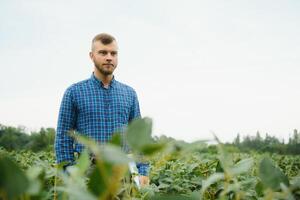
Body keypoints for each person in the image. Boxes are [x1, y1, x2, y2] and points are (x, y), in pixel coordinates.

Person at [54, 33, 149, 185]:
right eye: (103, 52)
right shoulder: (74, 92)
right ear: (91, 56)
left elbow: (138, 138)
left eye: (113, 53)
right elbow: (63, 137)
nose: (109, 57)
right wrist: (69, 173)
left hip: (121, 172)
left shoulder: (129, 93)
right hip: (87, 172)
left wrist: (143, 170)